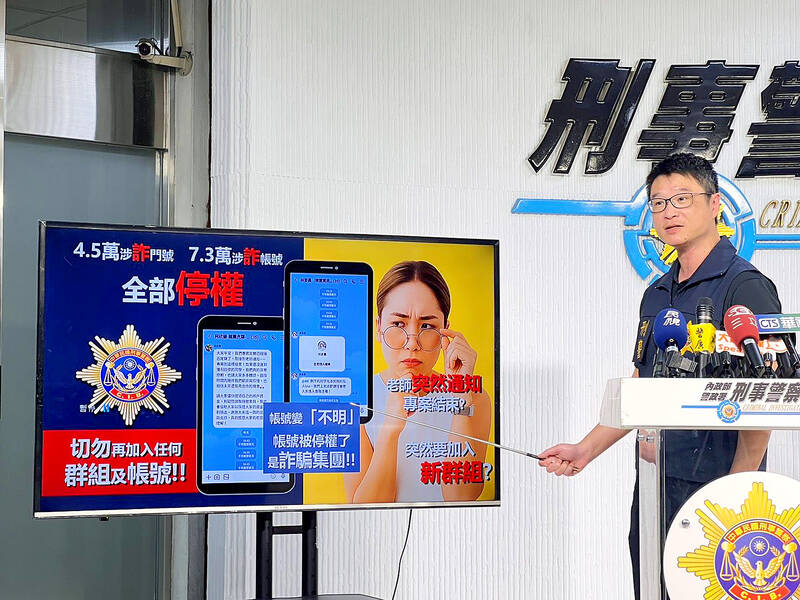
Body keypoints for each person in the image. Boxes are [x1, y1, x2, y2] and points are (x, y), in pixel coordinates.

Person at [537, 153, 782, 598]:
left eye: (682, 199)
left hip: (717, 491)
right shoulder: (656, 293)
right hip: (655, 485)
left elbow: (763, 395)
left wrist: (736, 493)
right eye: (658, 202)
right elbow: (642, 387)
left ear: (715, 205)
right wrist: (585, 449)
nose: (669, 212)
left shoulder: (745, 285)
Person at [343, 260, 492, 503]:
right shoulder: (355, 401)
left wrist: (462, 398)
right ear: (378, 328)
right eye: (398, 324)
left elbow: (461, 497)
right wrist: (391, 428)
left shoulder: (475, 398)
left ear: (445, 331)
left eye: (427, 325)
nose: (412, 343)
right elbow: (363, 508)